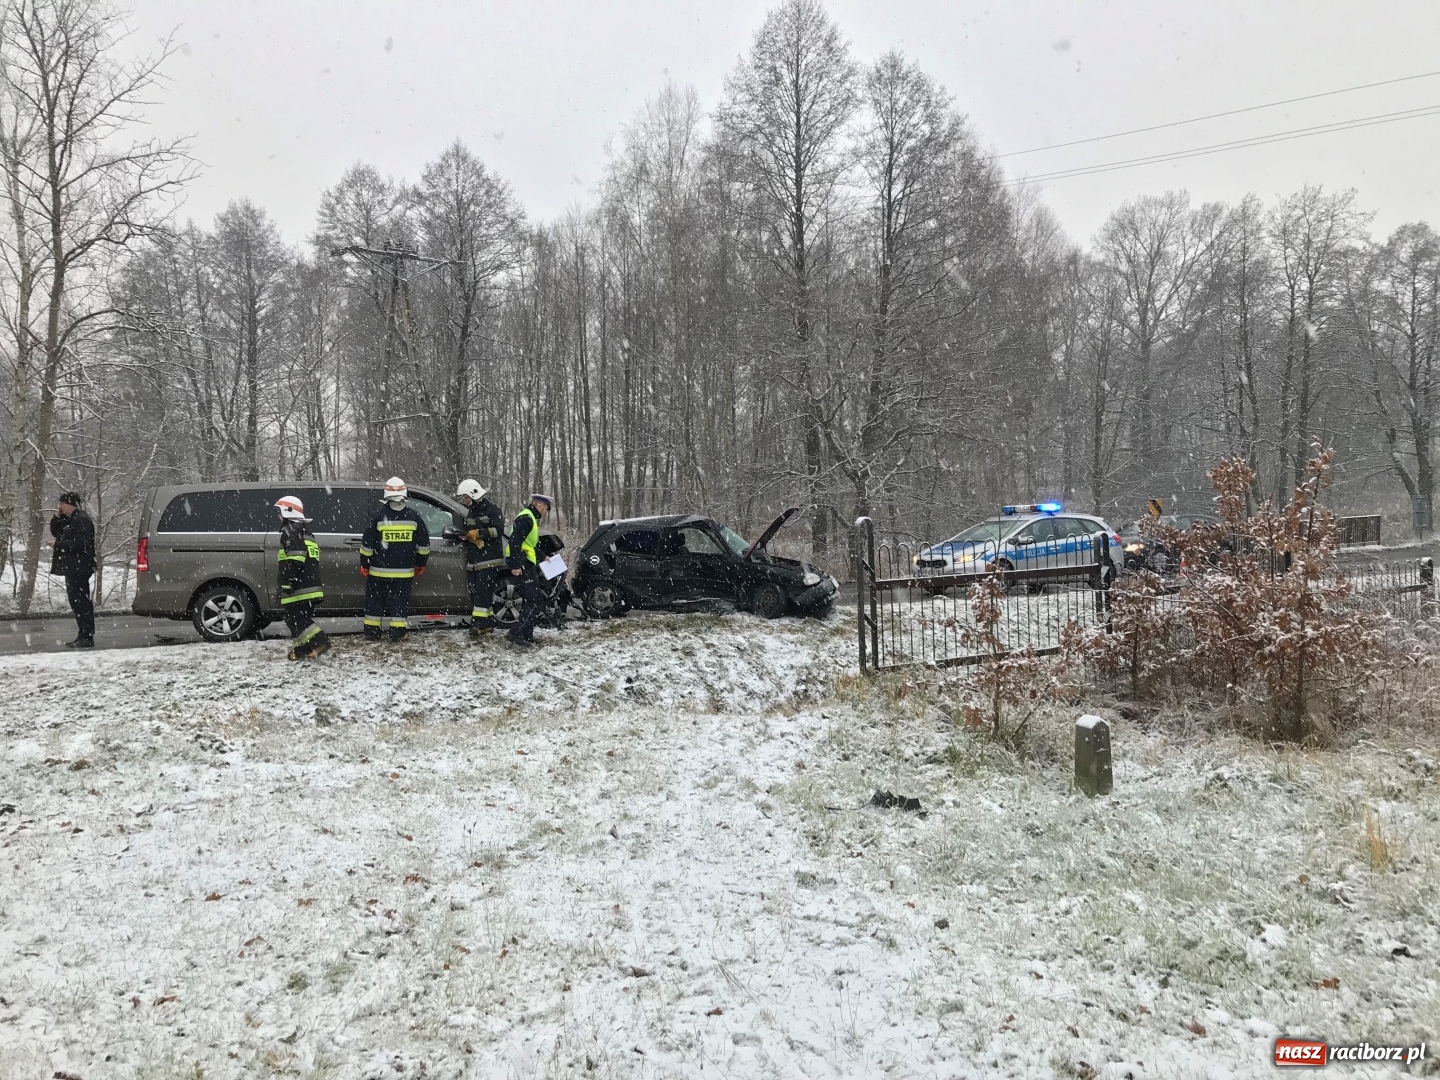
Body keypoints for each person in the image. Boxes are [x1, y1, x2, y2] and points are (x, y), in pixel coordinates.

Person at [359, 476, 430, 642]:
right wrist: (421, 563)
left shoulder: (378, 517)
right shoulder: (414, 517)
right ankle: (397, 633)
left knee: (374, 601)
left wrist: (365, 564)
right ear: (404, 494)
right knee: (399, 601)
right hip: (404, 573)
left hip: (378, 572)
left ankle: (371, 632)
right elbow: (424, 545)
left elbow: (367, 545)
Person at [274, 495, 331, 660]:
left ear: (287, 512)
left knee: (295, 618)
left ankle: (320, 641)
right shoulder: (306, 531)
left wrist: (287, 580)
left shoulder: (290, 530)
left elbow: (295, 558)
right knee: (297, 619)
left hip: (299, 586)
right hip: (309, 584)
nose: (278, 516)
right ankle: (302, 650)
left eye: (280, 512)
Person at [454, 478, 506, 639]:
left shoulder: (492, 510)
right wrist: (466, 535)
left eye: (466, 497)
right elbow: (469, 529)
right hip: (474, 560)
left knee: (482, 593)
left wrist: (479, 534)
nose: (465, 500)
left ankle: (477, 624)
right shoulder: (471, 512)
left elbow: (498, 530)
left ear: (473, 494)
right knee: (475, 592)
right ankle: (488, 622)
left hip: (489, 559)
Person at [505, 492, 553, 649]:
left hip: (527, 562)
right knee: (533, 601)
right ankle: (516, 633)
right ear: (540, 505)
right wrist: (515, 565)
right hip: (523, 563)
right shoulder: (526, 518)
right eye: (546, 508)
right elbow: (515, 540)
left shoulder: (530, 518)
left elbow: (529, 543)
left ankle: (527, 634)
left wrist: (543, 556)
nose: (545, 511)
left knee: (533, 600)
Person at [49, 491, 95, 649]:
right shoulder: (69, 519)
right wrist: (57, 517)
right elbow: (55, 531)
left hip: (80, 567)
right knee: (76, 602)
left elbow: (82, 544)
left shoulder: (82, 520)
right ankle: (83, 634)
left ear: (70, 504)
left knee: (81, 602)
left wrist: (58, 545)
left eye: (62, 504)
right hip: (73, 567)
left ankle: (87, 635)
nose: (60, 506)